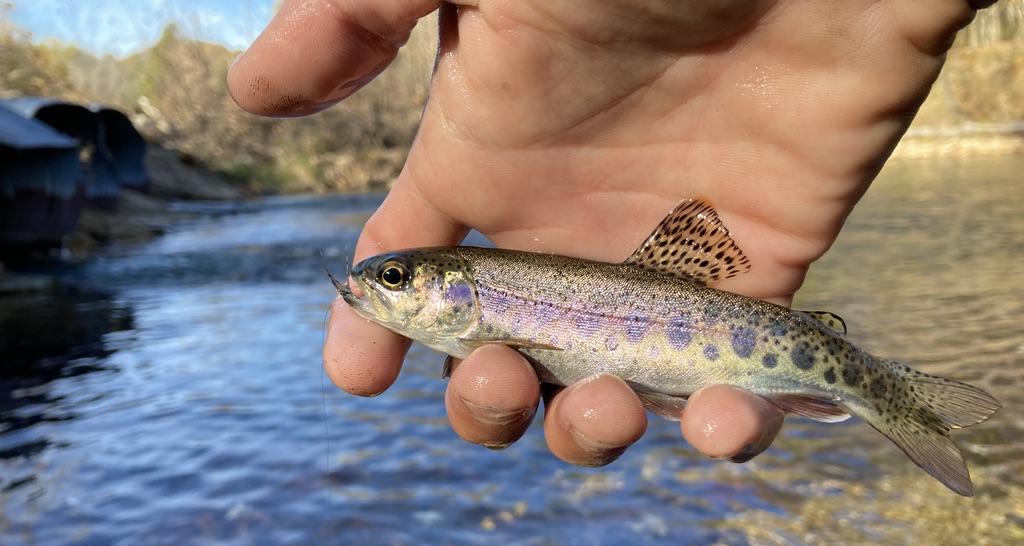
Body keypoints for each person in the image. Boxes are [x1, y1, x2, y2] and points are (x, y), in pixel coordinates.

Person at [229, 0, 994, 467]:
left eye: (395, 279)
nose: (374, 283)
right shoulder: (467, 318)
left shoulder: (475, 314)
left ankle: (884, 392)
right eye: (391, 279)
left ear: (458, 293)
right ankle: (878, 392)